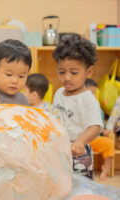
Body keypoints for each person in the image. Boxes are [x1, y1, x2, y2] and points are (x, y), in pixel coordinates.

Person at [51, 34, 103, 180]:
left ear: (89, 72)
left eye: (74, 73)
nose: (66, 77)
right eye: (61, 72)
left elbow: (95, 127)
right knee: (60, 183)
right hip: (60, 149)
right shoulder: (59, 93)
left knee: (80, 187)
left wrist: (80, 141)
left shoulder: (87, 99)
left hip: (79, 152)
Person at [85, 78, 114, 181]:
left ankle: (105, 170)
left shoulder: (99, 109)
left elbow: (100, 128)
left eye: (94, 93)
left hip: (95, 140)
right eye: (90, 93)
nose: (93, 96)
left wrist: (104, 131)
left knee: (109, 143)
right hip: (80, 141)